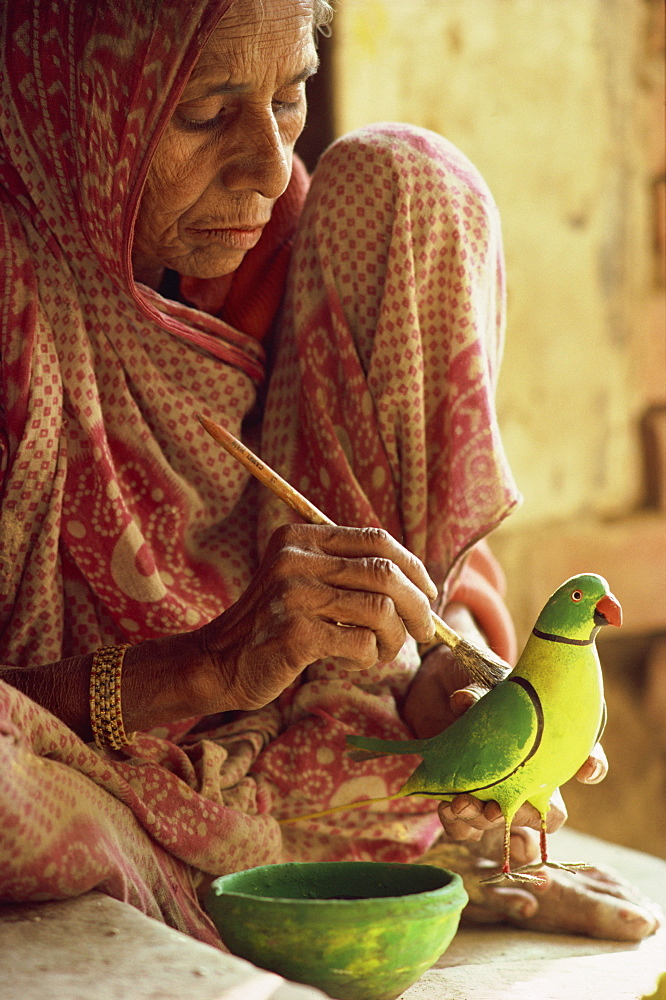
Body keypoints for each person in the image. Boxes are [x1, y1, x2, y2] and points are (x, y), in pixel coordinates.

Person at [0, 0, 659, 950]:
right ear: (85, 98)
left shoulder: (305, 237)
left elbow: (434, 560)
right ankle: (283, 864)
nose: (270, 169)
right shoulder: (22, 279)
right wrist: (201, 668)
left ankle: (406, 842)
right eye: (203, 113)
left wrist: (448, 667)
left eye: (295, 92)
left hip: (296, 766)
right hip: (78, 767)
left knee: (409, 179)